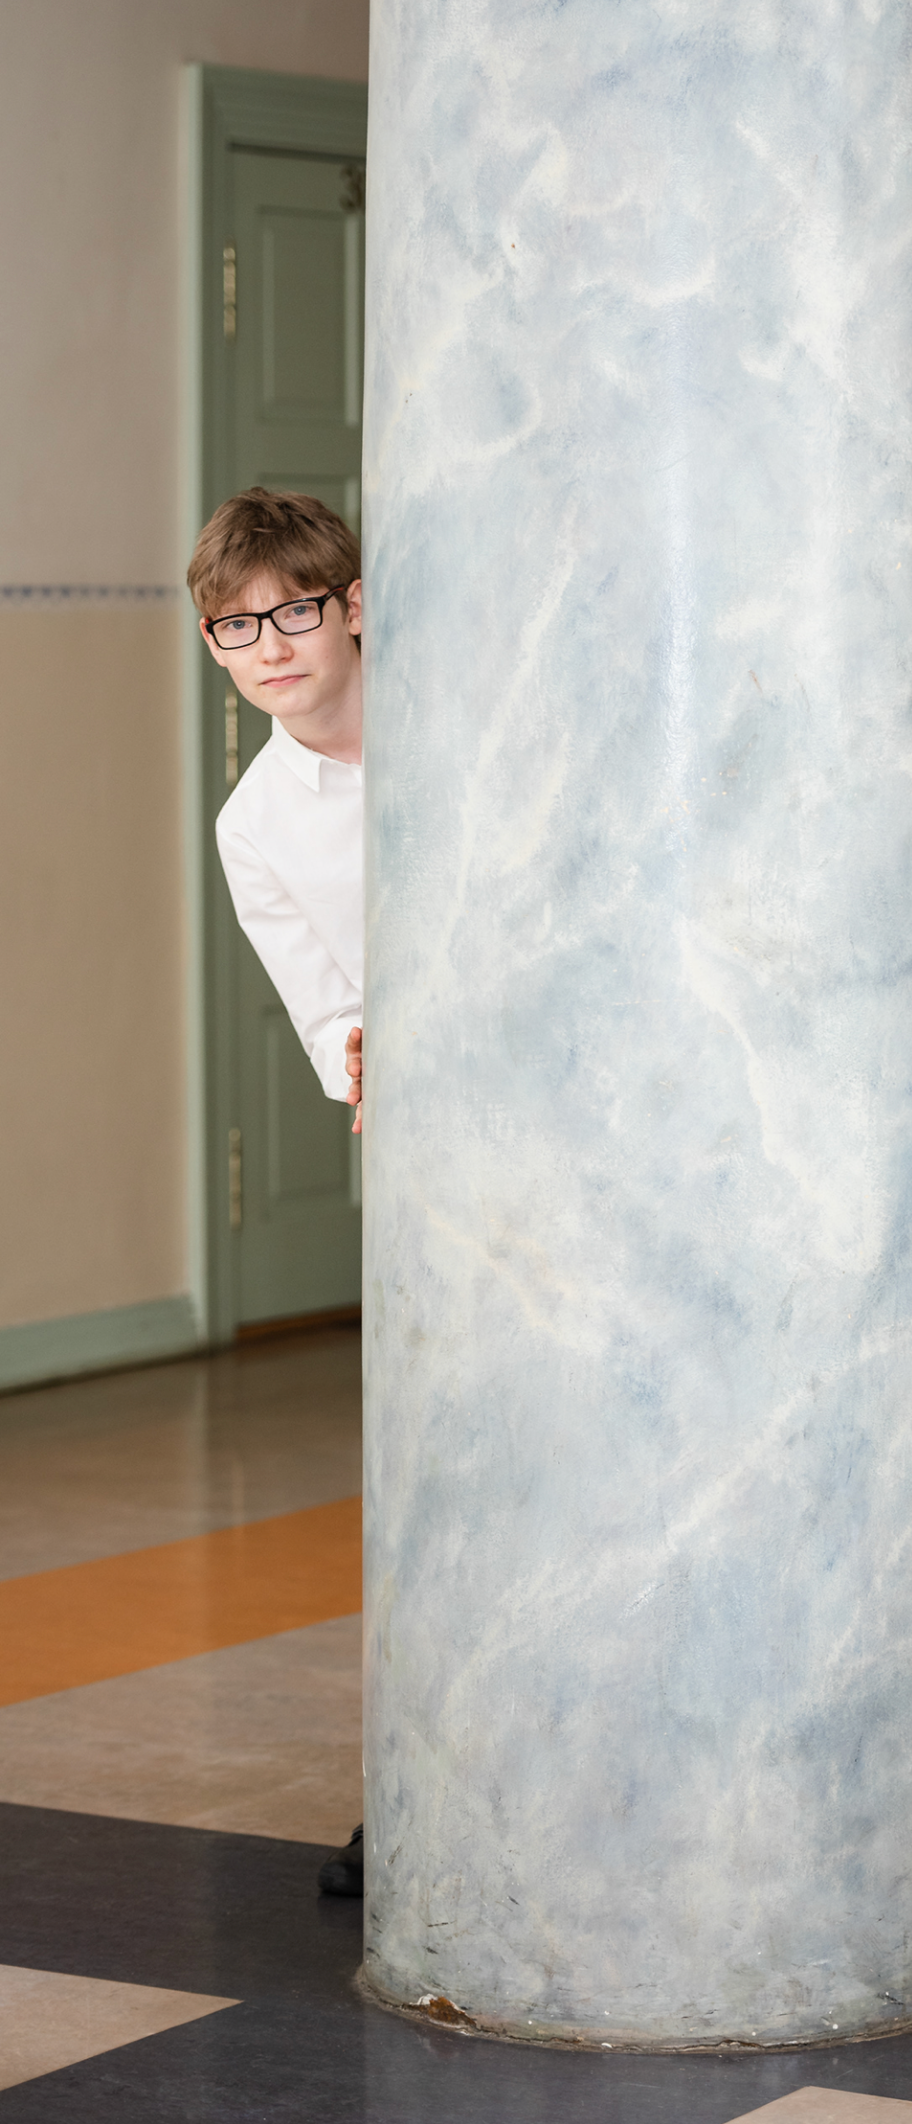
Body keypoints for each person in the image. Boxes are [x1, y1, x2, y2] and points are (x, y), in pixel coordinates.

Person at [188, 488, 367, 1901]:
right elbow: (325, 1010)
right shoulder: (254, 823)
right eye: (237, 628)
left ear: (351, 607)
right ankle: (427, 1791)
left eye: (294, 610)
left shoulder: (472, 722)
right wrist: (364, 1047)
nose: (271, 647)